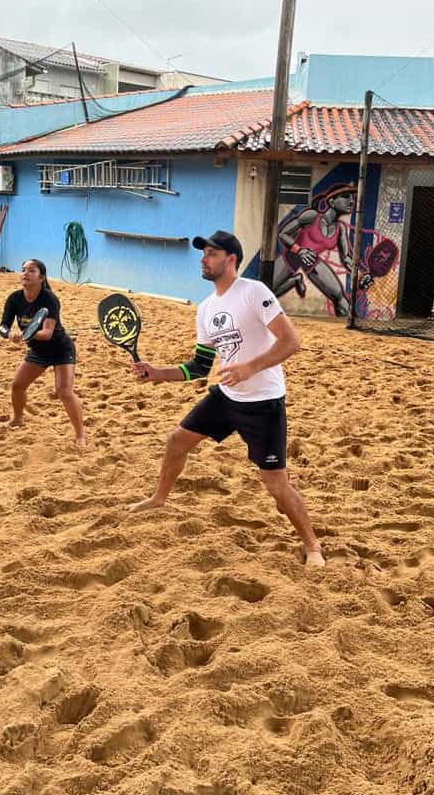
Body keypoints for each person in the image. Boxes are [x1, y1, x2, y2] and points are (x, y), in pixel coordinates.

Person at [131, 230, 325, 568]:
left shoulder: (253, 292)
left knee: (276, 486)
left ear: (231, 259)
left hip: (263, 403)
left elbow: (291, 342)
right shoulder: (206, 308)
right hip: (226, 396)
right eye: (203, 253)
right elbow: (200, 366)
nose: (203, 260)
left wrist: (251, 367)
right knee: (176, 441)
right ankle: (159, 499)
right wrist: (158, 372)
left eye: (212, 254)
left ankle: (313, 547)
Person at [0, 259, 86, 447]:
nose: (25, 273)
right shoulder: (14, 298)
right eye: (23, 270)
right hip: (38, 351)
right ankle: (18, 419)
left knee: (64, 391)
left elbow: (47, 333)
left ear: (42, 278)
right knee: (17, 386)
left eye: (31, 270)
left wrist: (25, 335)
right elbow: (2, 326)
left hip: (60, 349)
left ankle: (80, 435)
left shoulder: (49, 299)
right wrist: (9, 334)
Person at [272, 184, 357, 315]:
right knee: (267, 292)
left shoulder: (340, 228)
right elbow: (283, 234)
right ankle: (295, 280)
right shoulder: (312, 216)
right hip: (291, 257)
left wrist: (359, 274)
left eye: (352, 198)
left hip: (312, 261)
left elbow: (346, 258)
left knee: (340, 297)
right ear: (331, 202)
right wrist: (300, 250)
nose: (351, 201)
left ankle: (350, 326)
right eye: (345, 197)